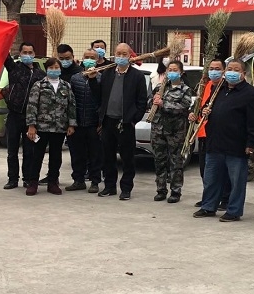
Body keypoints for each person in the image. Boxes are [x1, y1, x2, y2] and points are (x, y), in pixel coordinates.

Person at [193, 59, 254, 222]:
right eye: (229, 69)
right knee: (211, 179)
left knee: (236, 181)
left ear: (243, 74)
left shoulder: (251, 94)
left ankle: (234, 210)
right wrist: (205, 111)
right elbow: (206, 108)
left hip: (237, 145)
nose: (231, 72)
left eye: (235, 69)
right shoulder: (218, 89)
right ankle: (209, 206)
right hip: (215, 142)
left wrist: (251, 143)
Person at [86, 43, 148, 200]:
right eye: (118, 53)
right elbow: (98, 96)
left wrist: (134, 119)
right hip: (108, 121)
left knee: (127, 157)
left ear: (129, 56)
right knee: (108, 156)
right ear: (114, 54)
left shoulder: (137, 76)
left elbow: (142, 101)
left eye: (124, 54)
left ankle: (126, 188)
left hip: (126, 122)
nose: (121, 56)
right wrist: (92, 80)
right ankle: (109, 186)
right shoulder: (107, 73)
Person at [24, 58, 76, 196]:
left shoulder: (66, 86)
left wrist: (71, 124)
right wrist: (31, 126)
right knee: (37, 156)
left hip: (59, 127)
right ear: (47, 69)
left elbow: (71, 106)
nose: (54, 70)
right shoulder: (39, 85)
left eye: (57, 67)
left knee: (56, 156)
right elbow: (32, 106)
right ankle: (33, 182)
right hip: (42, 127)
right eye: (51, 67)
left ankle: (52, 182)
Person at [2, 42, 45, 190]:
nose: (27, 55)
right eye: (24, 52)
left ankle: (27, 179)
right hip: (14, 115)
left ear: (34, 54)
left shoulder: (40, 74)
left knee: (29, 150)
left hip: (31, 118)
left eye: (30, 52)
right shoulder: (14, 68)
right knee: (12, 150)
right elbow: (3, 55)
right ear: (20, 54)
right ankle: (12, 179)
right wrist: (5, 39)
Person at [150, 60, 193, 203]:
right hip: (158, 129)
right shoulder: (160, 87)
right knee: (159, 160)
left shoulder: (185, 89)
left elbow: (183, 107)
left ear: (181, 72)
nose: (172, 72)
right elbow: (149, 102)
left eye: (175, 70)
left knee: (175, 162)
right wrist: (154, 100)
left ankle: (175, 191)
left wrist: (164, 104)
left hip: (175, 130)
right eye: (170, 70)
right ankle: (161, 189)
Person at [192, 59, 231, 210]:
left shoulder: (225, 87)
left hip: (218, 133)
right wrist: (194, 114)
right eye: (211, 68)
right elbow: (200, 106)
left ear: (223, 71)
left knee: (222, 170)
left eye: (217, 68)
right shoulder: (207, 85)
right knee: (205, 169)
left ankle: (225, 199)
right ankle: (209, 197)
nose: (213, 71)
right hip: (203, 132)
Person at [66, 48, 103, 193]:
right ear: (82, 59)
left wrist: (101, 122)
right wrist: (71, 122)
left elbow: (102, 101)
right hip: (77, 123)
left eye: (92, 57)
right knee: (77, 154)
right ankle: (78, 180)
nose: (89, 59)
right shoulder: (75, 78)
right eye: (86, 57)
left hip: (94, 124)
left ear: (97, 59)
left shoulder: (101, 78)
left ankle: (95, 181)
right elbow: (70, 102)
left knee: (95, 155)